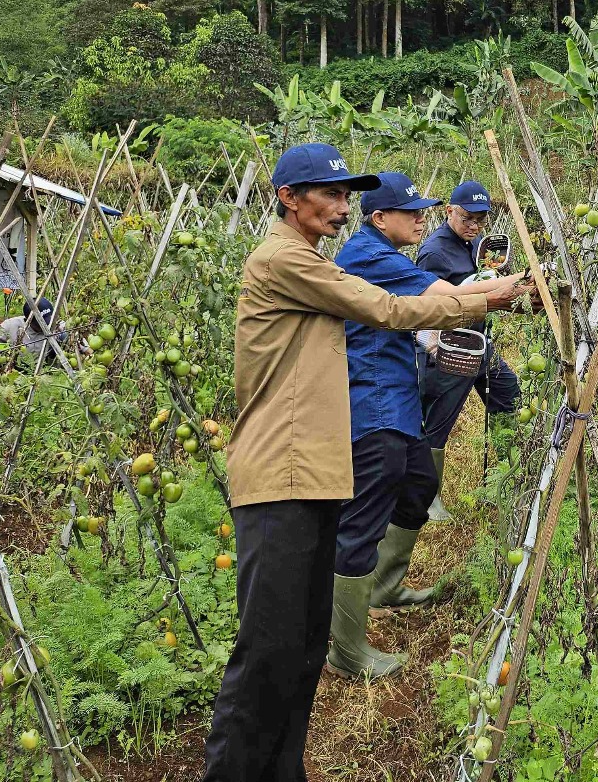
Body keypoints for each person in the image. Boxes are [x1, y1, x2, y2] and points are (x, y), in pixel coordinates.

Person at [202, 144, 516, 782]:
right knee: (267, 651)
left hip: (314, 473)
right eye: (331, 192)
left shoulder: (308, 259)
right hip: (278, 477)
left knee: (303, 648)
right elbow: (388, 309)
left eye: (349, 194)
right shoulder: (282, 260)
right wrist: (485, 297)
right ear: (290, 197)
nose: (343, 205)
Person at [329, 173, 531, 680]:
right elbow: (443, 298)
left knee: (419, 483)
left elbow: (408, 316)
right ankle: (346, 650)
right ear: (380, 218)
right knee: (364, 517)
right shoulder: (371, 254)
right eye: (412, 211)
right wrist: (511, 288)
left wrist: (432, 340)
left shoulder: (384, 256)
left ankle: (385, 586)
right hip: (372, 398)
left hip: (394, 392)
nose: (422, 218)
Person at [415, 180, 522, 522]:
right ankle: (426, 500)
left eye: (481, 219)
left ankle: (501, 482)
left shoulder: (475, 244)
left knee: (508, 393)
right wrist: (431, 347)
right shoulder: (434, 252)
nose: (475, 225)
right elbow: (425, 306)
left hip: (478, 342)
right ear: (449, 212)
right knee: (438, 424)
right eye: (467, 218)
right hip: (447, 348)